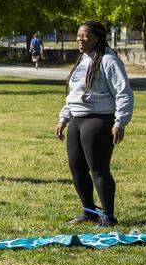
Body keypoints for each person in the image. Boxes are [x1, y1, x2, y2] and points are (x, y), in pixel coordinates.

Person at [56, 21, 133, 227]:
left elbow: (123, 92)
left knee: (98, 169)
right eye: (78, 35)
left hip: (98, 120)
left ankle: (108, 216)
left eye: (86, 36)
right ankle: (89, 212)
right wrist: (64, 118)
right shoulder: (83, 59)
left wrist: (120, 122)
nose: (80, 39)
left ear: (97, 38)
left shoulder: (109, 60)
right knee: (77, 168)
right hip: (77, 120)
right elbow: (74, 93)